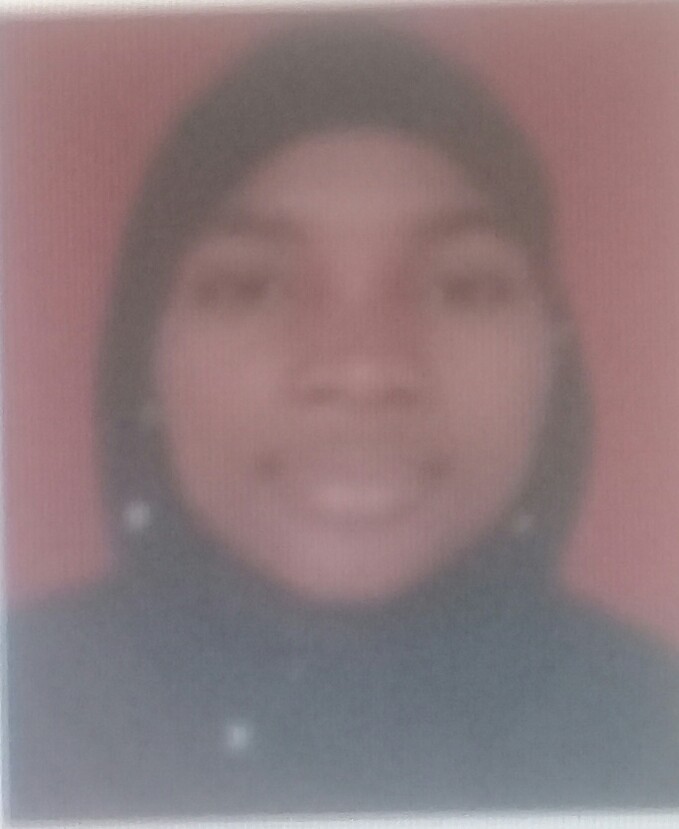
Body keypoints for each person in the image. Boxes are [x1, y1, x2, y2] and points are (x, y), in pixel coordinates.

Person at [6, 19, 679, 821]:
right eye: (250, 286)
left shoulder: (651, 725)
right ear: (142, 357)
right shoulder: (25, 712)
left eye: (463, 287)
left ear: (554, 360)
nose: (363, 368)